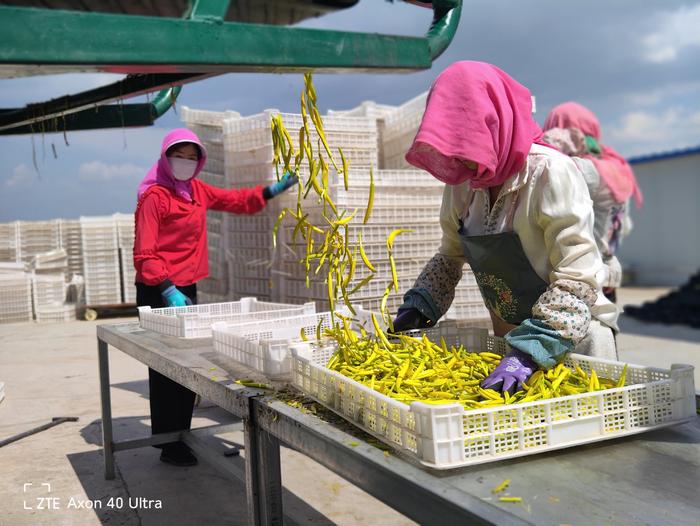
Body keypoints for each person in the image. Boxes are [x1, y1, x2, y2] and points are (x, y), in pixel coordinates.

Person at [392, 61, 619, 394]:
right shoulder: (464, 184)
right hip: (509, 344)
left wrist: (528, 354)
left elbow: (578, 274)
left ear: (493, 123)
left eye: (468, 139)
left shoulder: (548, 172)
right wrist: (420, 306)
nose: (462, 160)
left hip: (574, 346)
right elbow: (450, 255)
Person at [133, 128, 297, 466]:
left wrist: (270, 190)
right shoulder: (155, 197)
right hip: (159, 287)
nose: (186, 163)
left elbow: (234, 200)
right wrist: (167, 290)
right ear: (166, 158)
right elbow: (144, 253)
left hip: (185, 287)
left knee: (185, 364)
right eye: (180, 156)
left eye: (193, 158)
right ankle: (169, 443)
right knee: (166, 368)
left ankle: (181, 435)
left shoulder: (196, 191)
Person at [542, 102, 643, 303]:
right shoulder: (616, 167)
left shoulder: (583, 169)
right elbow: (626, 227)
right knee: (605, 331)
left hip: (579, 279)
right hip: (607, 273)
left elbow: (545, 164)